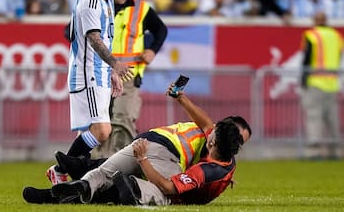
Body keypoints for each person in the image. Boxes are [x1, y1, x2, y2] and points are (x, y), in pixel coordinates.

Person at [22, 86, 251, 205]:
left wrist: (181, 98)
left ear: (214, 140)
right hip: (161, 154)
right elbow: (169, 187)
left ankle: (69, 188)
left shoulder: (213, 147)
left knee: (102, 173)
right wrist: (181, 98)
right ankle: (132, 188)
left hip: (146, 140)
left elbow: (206, 122)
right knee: (165, 197)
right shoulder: (215, 160)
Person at [62, 0, 136, 166]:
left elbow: (106, 40)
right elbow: (94, 39)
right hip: (88, 73)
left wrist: (111, 72)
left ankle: (73, 177)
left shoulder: (108, 2)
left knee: (88, 133)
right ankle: (60, 168)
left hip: (100, 72)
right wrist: (116, 65)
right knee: (102, 131)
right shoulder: (90, 0)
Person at [91, 0, 168, 159]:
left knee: (122, 121)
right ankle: (93, 170)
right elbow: (70, 31)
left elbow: (160, 30)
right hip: (98, 74)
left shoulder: (141, 9)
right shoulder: (95, 5)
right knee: (97, 122)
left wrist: (152, 51)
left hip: (127, 75)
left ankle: (117, 168)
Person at [300, 12, 343, 159]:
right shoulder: (336, 36)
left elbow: (307, 58)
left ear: (315, 21)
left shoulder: (312, 35)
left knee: (314, 117)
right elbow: (338, 55)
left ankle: (314, 152)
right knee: (332, 119)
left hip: (315, 81)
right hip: (332, 83)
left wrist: (303, 79)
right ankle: (336, 151)